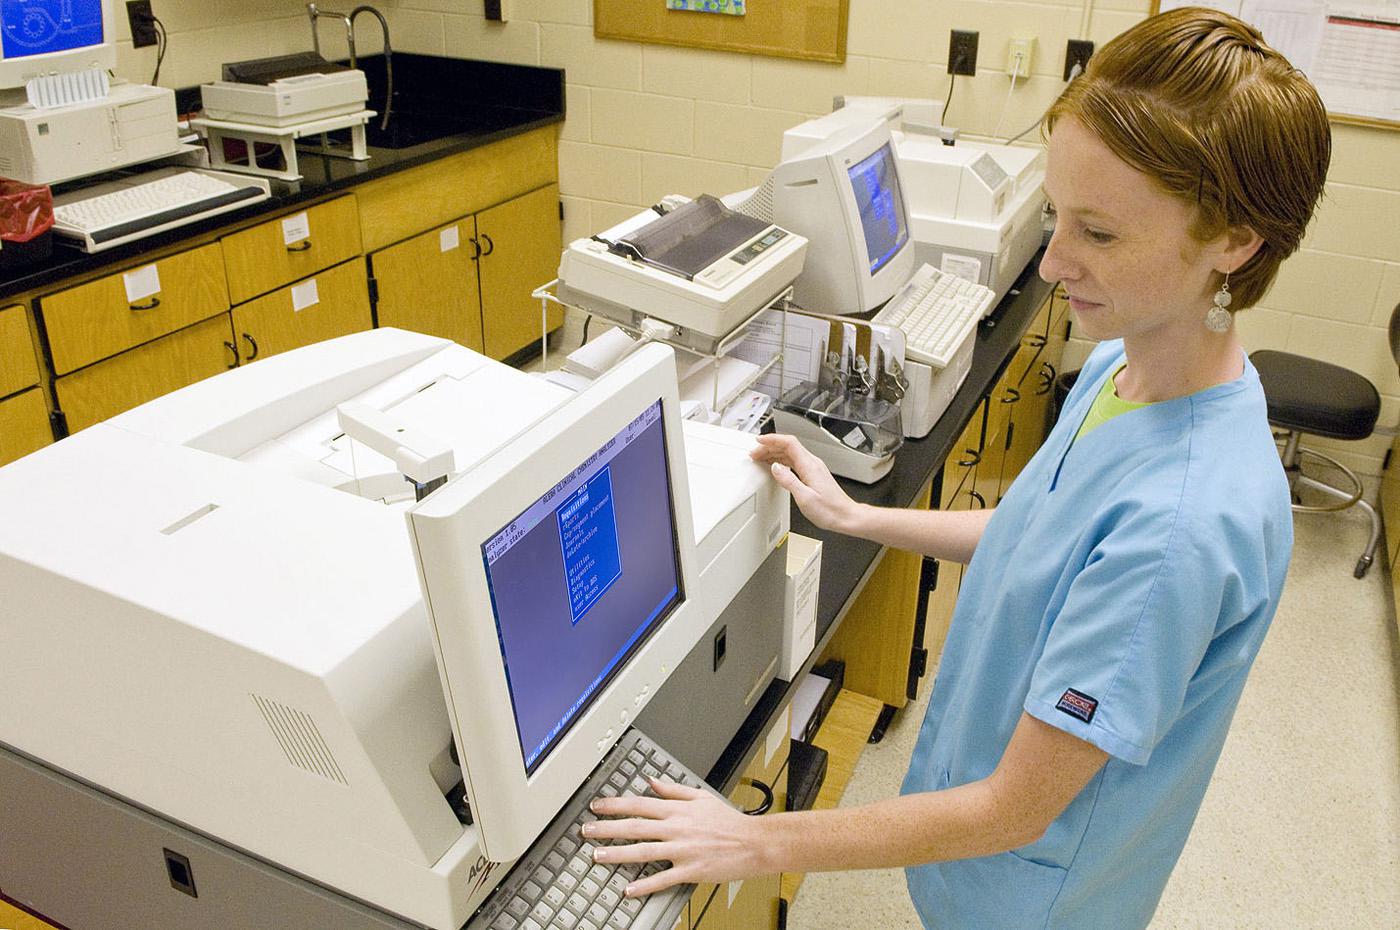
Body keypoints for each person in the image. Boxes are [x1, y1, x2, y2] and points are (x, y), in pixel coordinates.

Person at [585, 7, 1332, 926]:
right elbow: (1044, 537)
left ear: (1235, 243)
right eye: (1057, 217)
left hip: (1028, 896)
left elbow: (1011, 808)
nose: (1055, 261)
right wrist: (865, 519)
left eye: (1099, 235)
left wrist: (753, 839)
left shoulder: (1181, 526)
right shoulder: (1125, 365)